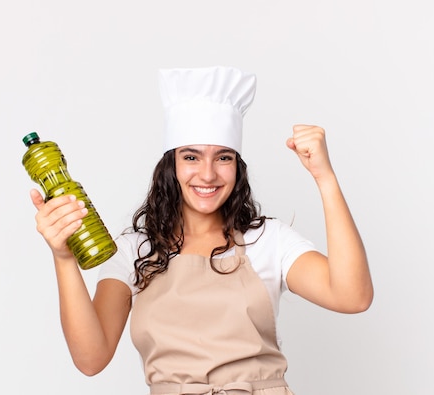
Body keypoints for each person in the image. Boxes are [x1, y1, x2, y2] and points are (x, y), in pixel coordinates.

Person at [29, 66, 373, 394]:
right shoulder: (135, 251)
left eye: (223, 157)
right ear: (171, 165)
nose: (207, 174)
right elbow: (91, 358)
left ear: (237, 166)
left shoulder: (267, 241)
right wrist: (63, 257)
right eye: (191, 157)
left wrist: (324, 178)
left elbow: (352, 297)